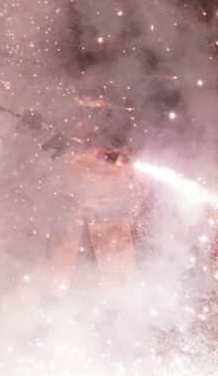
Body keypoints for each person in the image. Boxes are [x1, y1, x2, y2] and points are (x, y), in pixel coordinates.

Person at [46, 103, 145, 292]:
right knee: (57, 279)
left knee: (120, 285)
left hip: (109, 217)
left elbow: (123, 159)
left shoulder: (119, 150)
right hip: (75, 214)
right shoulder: (77, 145)